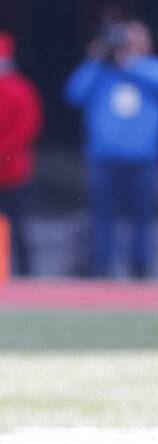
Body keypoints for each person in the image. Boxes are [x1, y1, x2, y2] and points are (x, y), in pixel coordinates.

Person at [65, 20, 158, 278]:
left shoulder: (157, 68)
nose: (129, 46)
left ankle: (139, 272)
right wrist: (96, 59)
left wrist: (128, 63)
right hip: (104, 161)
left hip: (143, 161)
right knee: (102, 221)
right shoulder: (101, 71)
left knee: (142, 223)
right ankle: (102, 271)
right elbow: (74, 94)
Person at [0, 32, 43, 277]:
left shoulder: (19, 89)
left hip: (14, 170)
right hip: (15, 166)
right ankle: (22, 273)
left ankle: (25, 273)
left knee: (19, 227)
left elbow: (26, 127)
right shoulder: (21, 87)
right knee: (19, 226)